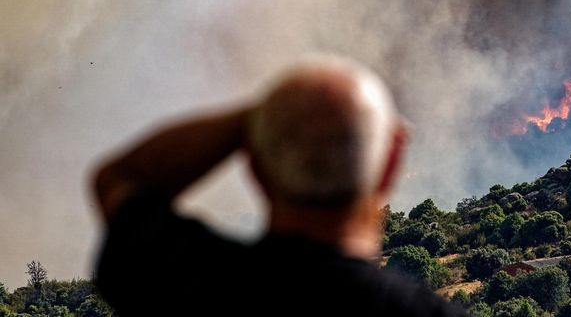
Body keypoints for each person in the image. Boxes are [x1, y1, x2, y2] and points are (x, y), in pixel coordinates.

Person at [92, 56, 466, 316]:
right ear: (390, 165)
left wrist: (273, 119)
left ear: (255, 166)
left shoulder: (187, 282)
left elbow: (121, 178)